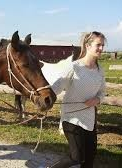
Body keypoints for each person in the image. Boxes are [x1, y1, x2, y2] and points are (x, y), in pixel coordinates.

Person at [48, 31, 106, 168]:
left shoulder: (100, 70)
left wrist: (97, 100)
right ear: (88, 45)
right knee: (77, 157)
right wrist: (43, 98)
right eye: (98, 45)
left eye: (103, 45)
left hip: (89, 119)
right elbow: (56, 87)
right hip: (71, 118)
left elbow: (102, 92)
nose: (101, 49)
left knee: (90, 158)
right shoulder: (74, 67)